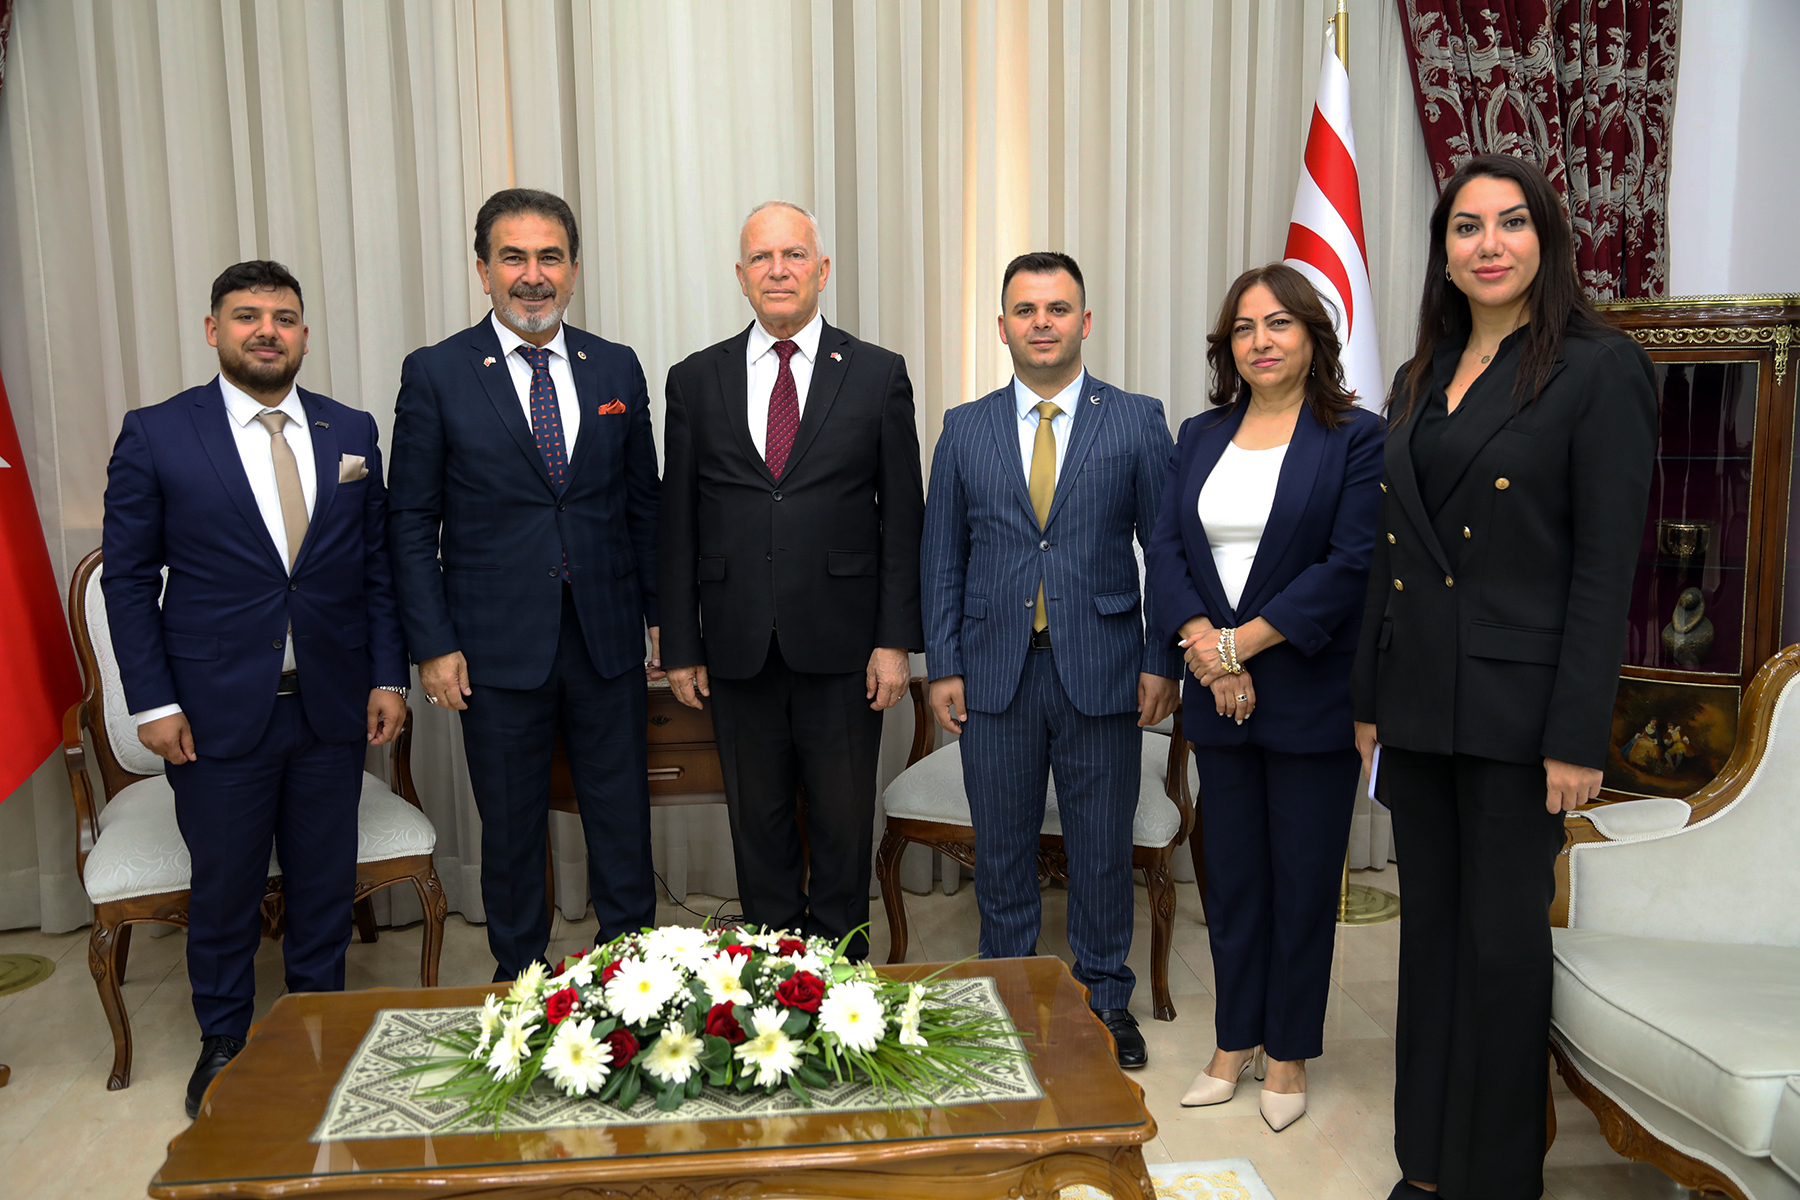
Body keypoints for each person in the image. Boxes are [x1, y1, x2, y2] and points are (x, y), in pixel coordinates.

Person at [1352, 154, 1657, 1200]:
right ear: (1443, 251)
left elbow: (1605, 571)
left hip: (1520, 714)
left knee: (1500, 952)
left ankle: (1493, 1180)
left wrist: (1577, 735)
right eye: (1467, 226)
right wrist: (1368, 704)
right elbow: (1389, 553)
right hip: (1417, 703)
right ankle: (1427, 1169)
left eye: (1511, 222)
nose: (1489, 244)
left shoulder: (1598, 368)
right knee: (1431, 942)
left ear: (1546, 239)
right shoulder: (1420, 376)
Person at [101, 261, 410, 1117]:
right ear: (214, 331)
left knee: (323, 883)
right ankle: (225, 1041)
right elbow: (128, 580)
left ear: (304, 334)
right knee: (227, 889)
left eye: (283, 316)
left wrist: (388, 674)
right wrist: (153, 702)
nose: (266, 330)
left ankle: (319, 1030)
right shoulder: (158, 433)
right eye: (247, 316)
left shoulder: (351, 429)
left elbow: (375, 568)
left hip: (330, 704)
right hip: (212, 712)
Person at [387, 188, 661, 981]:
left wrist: (659, 618)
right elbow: (411, 521)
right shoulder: (437, 373)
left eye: (549, 257)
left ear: (574, 269)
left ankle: (632, 974)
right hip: (492, 646)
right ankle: (520, 978)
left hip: (606, 636)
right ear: (483, 271)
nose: (532, 275)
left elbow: (643, 505)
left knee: (621, 816)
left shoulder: (615, 366)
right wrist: (432, 645)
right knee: (509, 826)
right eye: (513, 258)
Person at [920, 251, 1180, 1069]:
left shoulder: (1135, 420)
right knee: (1002, 849)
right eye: (1026, 310)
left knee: (1101, 846)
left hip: (1104, 669)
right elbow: (942, 558)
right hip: (994, 673)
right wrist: (944, 665)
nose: (1042, 323)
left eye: (1058, 309)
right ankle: (1011, 995)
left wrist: (1161, 659)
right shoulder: (964, 427)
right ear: (1002, 327)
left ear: (1085, 322)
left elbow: (1166, 552)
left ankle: (1105, 998)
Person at [1143, 263, 1384, 1129]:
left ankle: (1287, 1053)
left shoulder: (1356, 437)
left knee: (1303, 883)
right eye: (1244, 328)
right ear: (1228, 348)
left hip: (1312, 694)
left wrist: (1240, 645)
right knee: (1235, 882)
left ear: (1314, 336)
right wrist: (1209, 653)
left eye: (1279, 323)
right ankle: (1232, 1040)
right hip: (1218, 696)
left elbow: (1350, 565)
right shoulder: (1201, 434)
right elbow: (1167, 549)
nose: (1261, 341)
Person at [658, 201, 923, 959]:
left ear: (822, 269)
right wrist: (681, 644)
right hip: (735, 643)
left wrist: (894, 642)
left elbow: (904, 519)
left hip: (845, 646)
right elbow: (677, 522)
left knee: (841, 824)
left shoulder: (876, 374)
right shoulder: (695, 379)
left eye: (795, 255)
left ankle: (840, 981)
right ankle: (777, 977)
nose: (779, 270)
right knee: (758, 822)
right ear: (741, 276)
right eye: (762, 258)